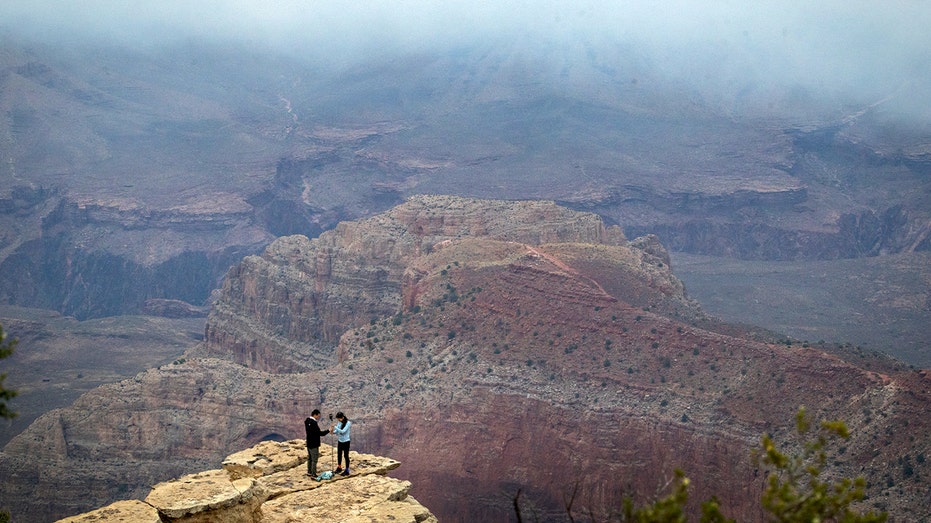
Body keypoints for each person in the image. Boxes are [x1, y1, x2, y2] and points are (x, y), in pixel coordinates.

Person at [304, 409, 329, 477]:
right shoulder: (314, 423)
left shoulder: (307, 420)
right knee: (314, 459)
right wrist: (328, 430)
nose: (318, 417)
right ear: (315, 415)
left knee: (310, 458)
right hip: (314, 443)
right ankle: (313, 474)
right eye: (318, 416)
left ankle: (309, 472)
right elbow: (320, 433)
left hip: (309, 442)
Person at [331, 411, 352, 476]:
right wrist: (333, 432)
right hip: (340, 441)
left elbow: (343, 431)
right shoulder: (339, 422)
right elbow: (337, 431)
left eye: (339, 419)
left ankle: (347, 470)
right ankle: (339, 467)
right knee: (339, 454)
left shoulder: (348, 423)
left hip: (346, 442)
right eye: (338, 419)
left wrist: (335, 427)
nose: (338, 420)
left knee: (346, 455)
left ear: (342, 417)